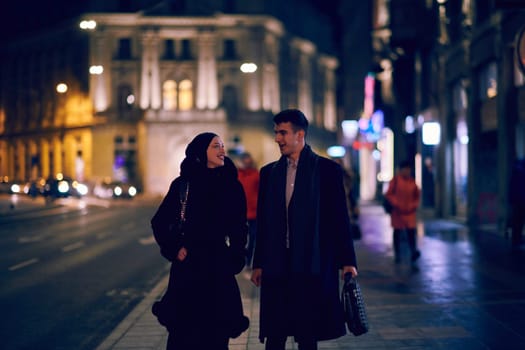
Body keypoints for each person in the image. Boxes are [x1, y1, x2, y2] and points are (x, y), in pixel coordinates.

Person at [250, 109, 358, 350]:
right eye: (276, 132)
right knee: (275, 332)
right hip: (277, 263)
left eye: (283, 133)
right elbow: (264, 224)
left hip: (311, 264)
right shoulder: (269, 173)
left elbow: (339, 218)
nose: (278, 138)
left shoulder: (327, 171)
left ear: (300, 135)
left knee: (307, 332)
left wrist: (348, 261)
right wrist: (258, 262)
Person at [151, 132, 249, 350]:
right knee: (183, 333)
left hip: (218, 266)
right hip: (189, 267)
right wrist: (174, 248)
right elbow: (159, 222)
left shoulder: (231, 185)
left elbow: (239, 226)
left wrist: (236, 255)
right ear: (201, 152)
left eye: (222, 145)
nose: (222, 150)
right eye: (216, 146)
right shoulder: (183, 185)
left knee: (217, 332)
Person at [384, 160, 421, 264]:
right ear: (401, 170)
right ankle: (398, 254)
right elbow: (389, 194)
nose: (408, 171)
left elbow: (417, 196)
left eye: (409, 169)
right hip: (398, 213)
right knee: (397, 233)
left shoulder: (412, 181)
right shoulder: (395, 181)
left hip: (410, 213)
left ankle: (413, 252)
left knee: (411, 233)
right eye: (406, 169)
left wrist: (414, 205)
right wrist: (397, 204)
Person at [237, 152, 260, 267]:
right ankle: (238, 259)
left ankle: (248, 262)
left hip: (254, 213)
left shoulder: (256, 174)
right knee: (239, 237)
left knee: (252, 239)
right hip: (239, 212)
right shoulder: (238, 175)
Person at [509, 158, 525, 249]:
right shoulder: (520, 171)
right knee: (519, 220)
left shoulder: (517, 170)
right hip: (520, 199)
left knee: (517, 220)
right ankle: (517, 239)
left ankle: (516, 239)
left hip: (517, 199)